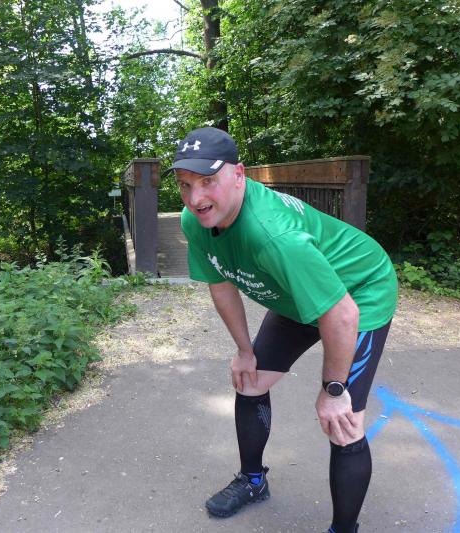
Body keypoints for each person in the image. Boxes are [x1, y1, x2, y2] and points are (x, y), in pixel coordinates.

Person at [166, 127, 398, 533]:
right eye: (185, 185)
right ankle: (253, 481)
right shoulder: (196, 221)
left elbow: (342, 314)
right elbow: (220, 286)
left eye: (208, 181)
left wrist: (334, 391)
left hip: (358, 291)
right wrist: (244, 351)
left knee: (343, 422)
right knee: (250, 380)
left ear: (239, 174)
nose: (196, 198)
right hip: (298, 293)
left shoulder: (272, 235)